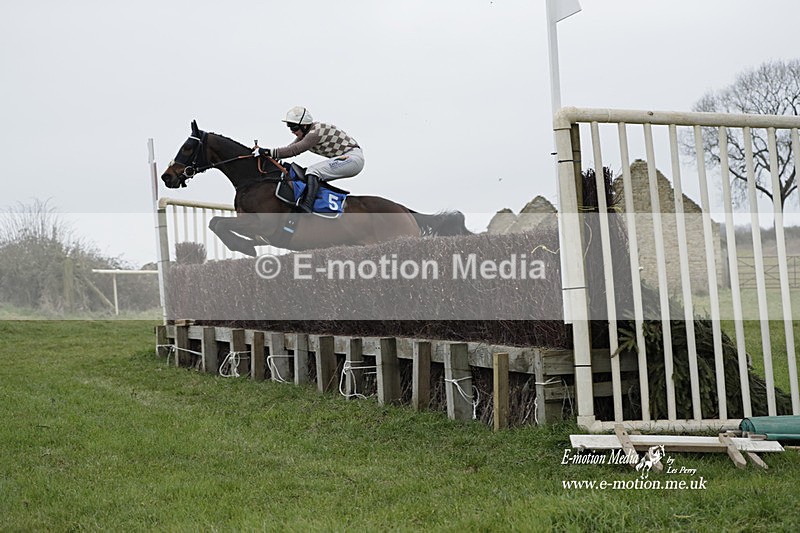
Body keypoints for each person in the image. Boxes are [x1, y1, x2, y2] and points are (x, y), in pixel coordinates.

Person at [254, 106, 364, 213]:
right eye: (289, 126)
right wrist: (266, 155)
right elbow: (289, 149)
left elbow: (294, 150)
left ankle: (307, 206)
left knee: (313, 171)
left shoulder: (315, 133)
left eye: (294, 127)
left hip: (353, 159)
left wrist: (267, 151)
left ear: (305, 126)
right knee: (306, 173)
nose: (292, 131)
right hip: (348, 158)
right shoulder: (308, 132)